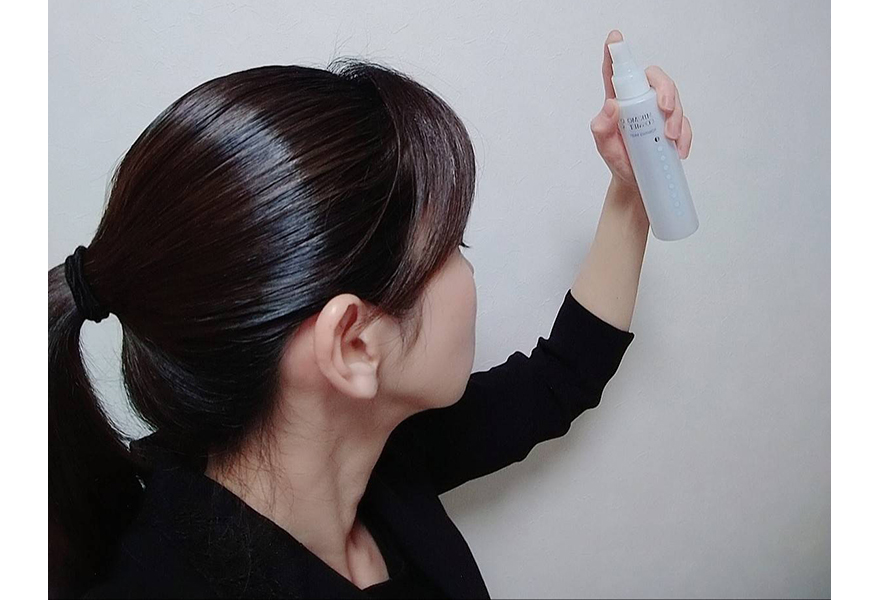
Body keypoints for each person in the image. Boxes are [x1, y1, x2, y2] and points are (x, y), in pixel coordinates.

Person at [49, 29, 692, 600]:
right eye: (453, 247)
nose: (470, 274)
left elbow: (560, 379)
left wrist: (633, 188)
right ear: (353, 344)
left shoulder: (374, 456)